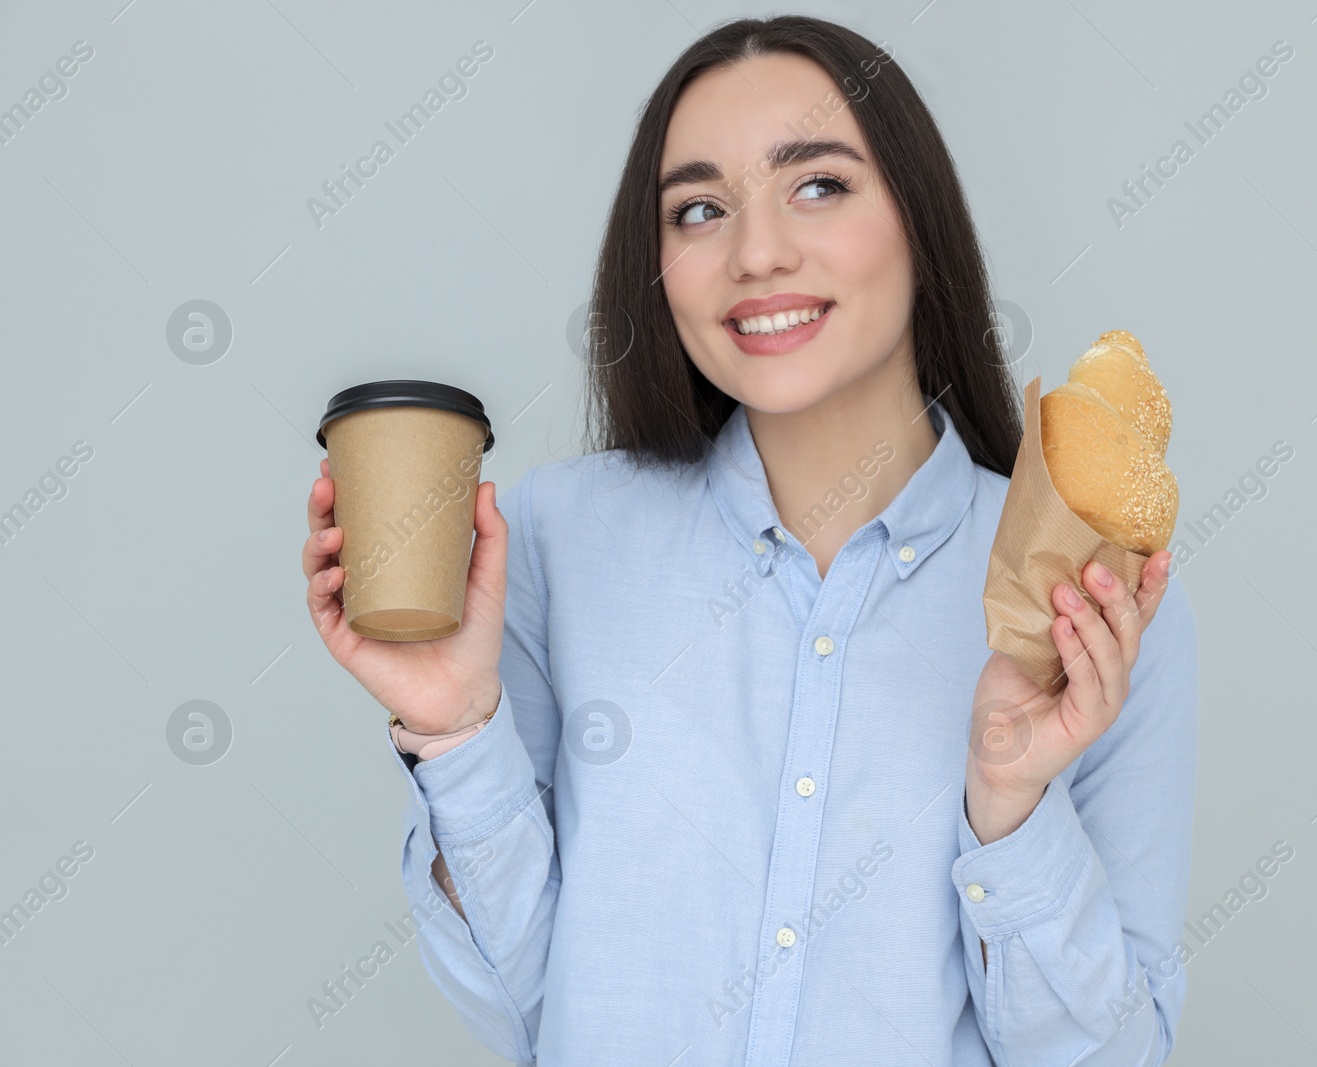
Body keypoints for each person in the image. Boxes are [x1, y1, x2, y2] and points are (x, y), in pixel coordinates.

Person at [302, 14, 1197, 1066]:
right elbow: (532, 1007)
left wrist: (1011, 799)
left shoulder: (1088, 595)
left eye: (816, 184)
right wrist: (455, 733)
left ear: (919, 218)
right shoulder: (550, 538)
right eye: (698, 209)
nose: (756, 252)